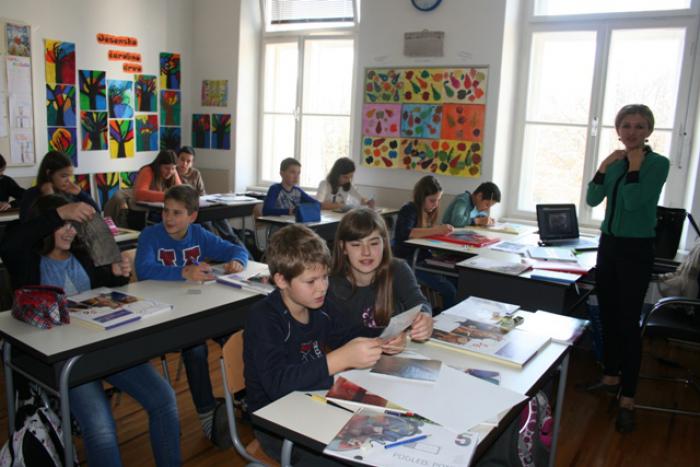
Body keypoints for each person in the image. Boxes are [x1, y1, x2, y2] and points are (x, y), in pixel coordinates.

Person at [0, 195, 181, 466]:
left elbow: (104, 289)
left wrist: (117, 274)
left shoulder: (82, 256)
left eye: (73, 225)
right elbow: (9, 244)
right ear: (46, 224)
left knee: (164, 399)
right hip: (64, 359)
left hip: (102, 347)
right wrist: (61, 212)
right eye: (62, 224)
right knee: (101, 429)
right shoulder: (27, 262)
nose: (69, 231)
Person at [244, 224, 383, 463]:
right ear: (281, 280)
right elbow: (277, 385)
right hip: (275, 424)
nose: (322, 287)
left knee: (376, 441)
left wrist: (384, 337)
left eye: (325, 277)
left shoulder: (320, 304)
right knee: (349, 459)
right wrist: (338, 360)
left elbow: (348, 335)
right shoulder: (263, 318)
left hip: (316, 402)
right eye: (311, 281)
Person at [134, 184, 248, 448]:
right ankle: (207, 413)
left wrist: (238, 262)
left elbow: (235, 249)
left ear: (192, 216)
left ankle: (245, 397)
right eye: (166, 211)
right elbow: (143, 269)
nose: (169, 218)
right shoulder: (151, 236)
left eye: (177, 213)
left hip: (196, 309)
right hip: (164, 315)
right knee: (195, 348)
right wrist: (183, 272)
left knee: (235, 336)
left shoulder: (199, 234)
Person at [583, 104, 669, 433]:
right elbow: (592, 199)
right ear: (618, 129)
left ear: (649, 131)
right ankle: (610, 377)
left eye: (639, 126)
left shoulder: (657, 164)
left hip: (636, 249)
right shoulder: (616, 163)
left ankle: (628, 398)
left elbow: (633, 203)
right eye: (626, 125)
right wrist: (604, 166)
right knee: (608, 315)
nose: (632, 132)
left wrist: (634, 167)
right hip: (609, 246)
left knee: (628, 324)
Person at [328, 207, 433, 353]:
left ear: (384, 243)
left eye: (374, 243)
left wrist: (424, 317)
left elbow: (418, 302)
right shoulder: (330, 285)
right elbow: (332, 341)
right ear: (343, 247)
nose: (366, 252)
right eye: (356, 245)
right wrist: (380, 344)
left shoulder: (398, 269)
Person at [393, 175, 457, 310]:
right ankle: (444, 319)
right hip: (409, 261)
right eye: (432, 200)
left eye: (438, 200)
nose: (436, 205)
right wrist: (437, 230)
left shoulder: (428, 211)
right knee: (450, 290)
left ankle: (442, 312)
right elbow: (405, 233)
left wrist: (439, 232)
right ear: (421, 198)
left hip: (423, 258)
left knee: (457, 280)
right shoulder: (409, 209)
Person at [176, 146, 248, 251]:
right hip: (192, 212)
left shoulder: (195, 173)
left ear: (192, 163)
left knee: (228, 231)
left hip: (203, 207)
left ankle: (247, 256)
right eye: (182, 159)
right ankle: (219, 253)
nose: (185, 164)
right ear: (177, 159)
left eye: (188, 161)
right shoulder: (173, 174)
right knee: (209, 229)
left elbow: (202, 193)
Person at [19, 150, 99, 221]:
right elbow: (26, 226)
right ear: (49, 173)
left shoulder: (70, 193)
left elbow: (97, 215)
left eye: (70, 176)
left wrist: (80, 193)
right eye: (64, 176)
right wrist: (49, 198)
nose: (69, 181)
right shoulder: (32, 194)